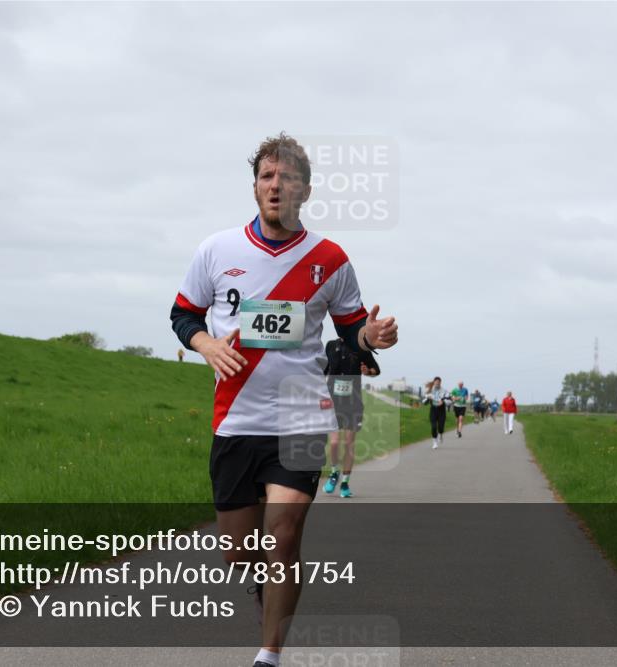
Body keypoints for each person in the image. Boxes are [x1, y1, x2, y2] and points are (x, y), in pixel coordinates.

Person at [170, 133, 399, 667]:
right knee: (239, 551)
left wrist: (373, 336)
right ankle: (262, 592)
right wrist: (206, 346)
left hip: (301, 415)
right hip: (235, 419)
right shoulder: (216, 250)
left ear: (306, 190)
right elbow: (183, 315)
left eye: (287, 178)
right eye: (267, 176)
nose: (276, 186)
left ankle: (269, 655)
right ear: (255, 187)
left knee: (285, 536)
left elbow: (350, 333)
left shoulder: (330, 258)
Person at [323, 337, 380, 498]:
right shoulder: (331, 345)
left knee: (349, 443)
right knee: (334, 443)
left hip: (353, 403)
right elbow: (324, 370)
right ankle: (334, 473)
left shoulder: (361, 348)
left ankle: (345, 483)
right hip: (333, 401)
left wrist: (368, 372)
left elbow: (376, 369)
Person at [422, 377, 450, 449]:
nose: (437, 383)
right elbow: (424, 402)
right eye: (436, 382)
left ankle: (440, 434)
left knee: (441, 427)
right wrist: (428, 399)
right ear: (434, 382)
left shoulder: (444, 391)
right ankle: (435, 442)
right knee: (434, 427)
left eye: (438, 382)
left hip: (441, 410)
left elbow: (449, 401)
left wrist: (443, 401)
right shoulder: (430, 391)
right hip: (433, 410)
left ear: (440, 382)